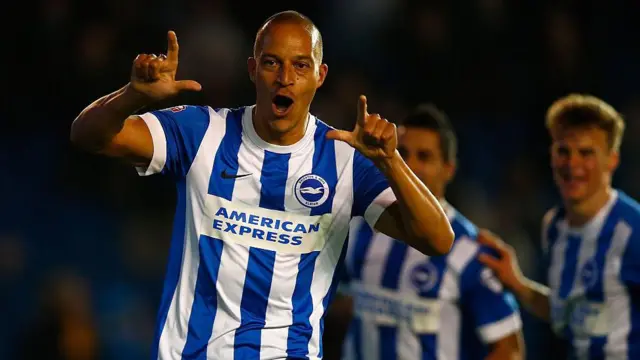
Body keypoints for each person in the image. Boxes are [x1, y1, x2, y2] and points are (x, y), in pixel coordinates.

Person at [69, 10, 454, 360]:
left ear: (320, 76)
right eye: (272, 63)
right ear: (253, 70)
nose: (285, 78)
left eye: (300, 66)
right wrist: (133, 95)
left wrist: (391, 160)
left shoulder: (344, 158)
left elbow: (438, 240)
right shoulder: (203, 131)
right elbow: (88, 135)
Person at [323, 104, 524, 360]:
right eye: (403, 153)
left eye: (425, 156)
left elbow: (509, 349)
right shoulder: (362, 228)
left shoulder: (471, 251)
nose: (411, 165)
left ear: (448, 169)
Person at [478, 94, 640, 359]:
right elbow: (567, 314)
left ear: (612, 160)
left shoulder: (633, 231)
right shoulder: (554, 225)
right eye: (563, 151)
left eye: (586, 153)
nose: (572, 164)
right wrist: (519, 284)